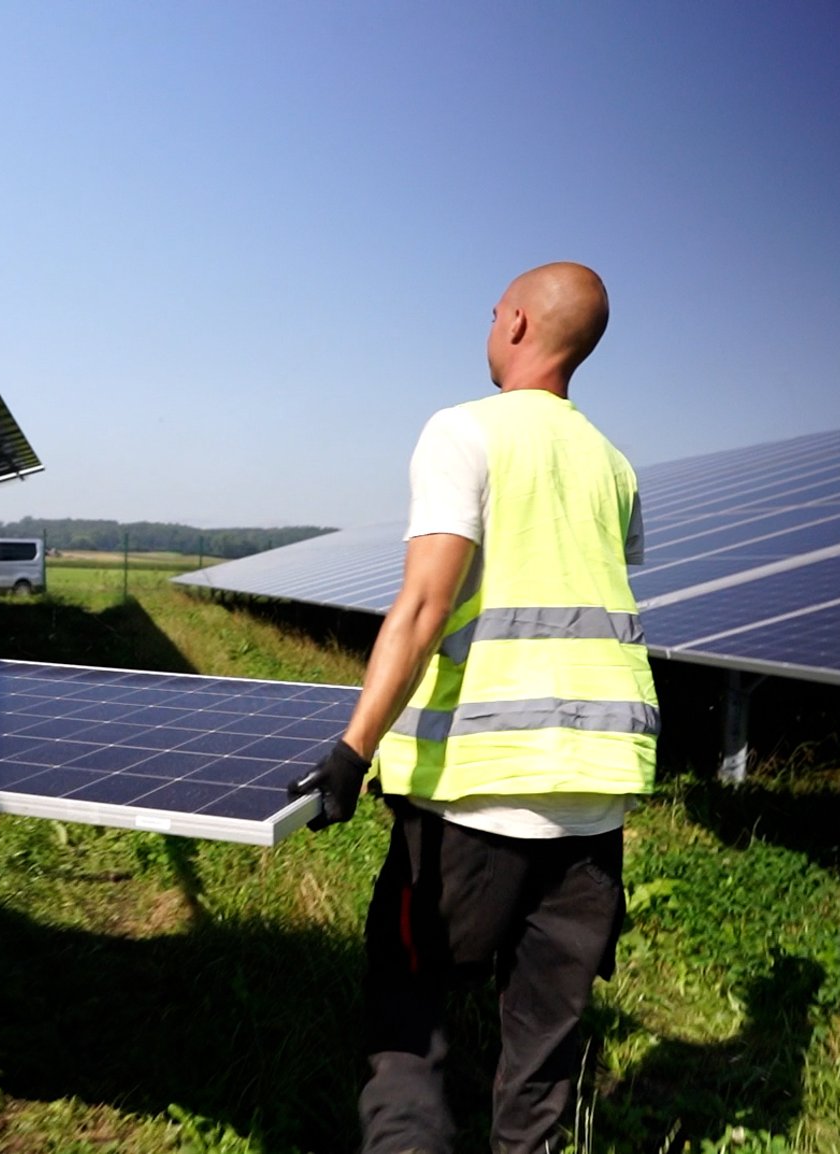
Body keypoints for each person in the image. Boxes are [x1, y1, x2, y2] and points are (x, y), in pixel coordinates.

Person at [288, 263, 656, 1153]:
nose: (488, 325)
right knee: (543, 1058)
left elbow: (422, 607)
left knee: (408, 1024)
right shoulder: (614, 466)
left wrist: (352, 749)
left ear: (521, 324)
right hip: (593, 806)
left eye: (494, 313)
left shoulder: (463, 433)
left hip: (473, 801)